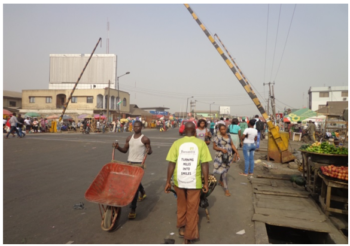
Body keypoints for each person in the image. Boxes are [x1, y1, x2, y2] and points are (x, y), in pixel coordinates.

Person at [164, 122, 211, 244]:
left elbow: (171, 164)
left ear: (184, 131)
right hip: (194, 182)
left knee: (181, 205)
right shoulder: (201, 144)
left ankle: (182, 227)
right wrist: (206, 183)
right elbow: (205, 164)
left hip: (179, 181)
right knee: (192, 208)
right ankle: (189, 236)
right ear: (195, 132)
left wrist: (168, 182)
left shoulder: (177, 144)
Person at [112, 121, 152, 219]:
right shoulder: (129, 138)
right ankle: (142, 192)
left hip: (139, 164)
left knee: (134, 187)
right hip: (129, 162)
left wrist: (148, 150)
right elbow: (125, 150)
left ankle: (133, 209)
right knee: (134, 183)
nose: (136, 128)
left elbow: (150, 151)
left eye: (138, 126)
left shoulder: (145, 139)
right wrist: (118, 148)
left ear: (141, 127)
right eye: (134, 126)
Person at [213, 124, 239, 196]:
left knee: (226, 169)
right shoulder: (217, 137)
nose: (223, 131)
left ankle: (221, 180)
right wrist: (221, 149)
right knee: (224, 173)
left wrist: (237, 153)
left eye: (224, 129)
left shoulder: (229, 136)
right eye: (221, 129)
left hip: (229, 156)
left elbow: (232, 145)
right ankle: (226, 189)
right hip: (221, 156)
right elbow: (214, 147)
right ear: (219, 130)